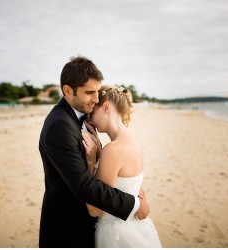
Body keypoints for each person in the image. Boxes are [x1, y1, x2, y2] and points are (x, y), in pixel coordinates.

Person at [38, 56, 150, 247]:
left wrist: (131, 186)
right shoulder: (60, 126)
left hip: (92, 223)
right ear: (67, 90)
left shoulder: (85, 116)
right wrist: (134, 204)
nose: (97, 99)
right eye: (89, 92)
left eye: (98, 92)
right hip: (67, 228)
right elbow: (83, 185)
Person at [81, 85, 162, 248]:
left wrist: (90, 164)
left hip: (117, 234)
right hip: (137, 228)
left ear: (105, 107)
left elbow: (95, 210)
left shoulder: (113, 149)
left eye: (91, 113)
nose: (89, 120)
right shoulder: (133, 140)